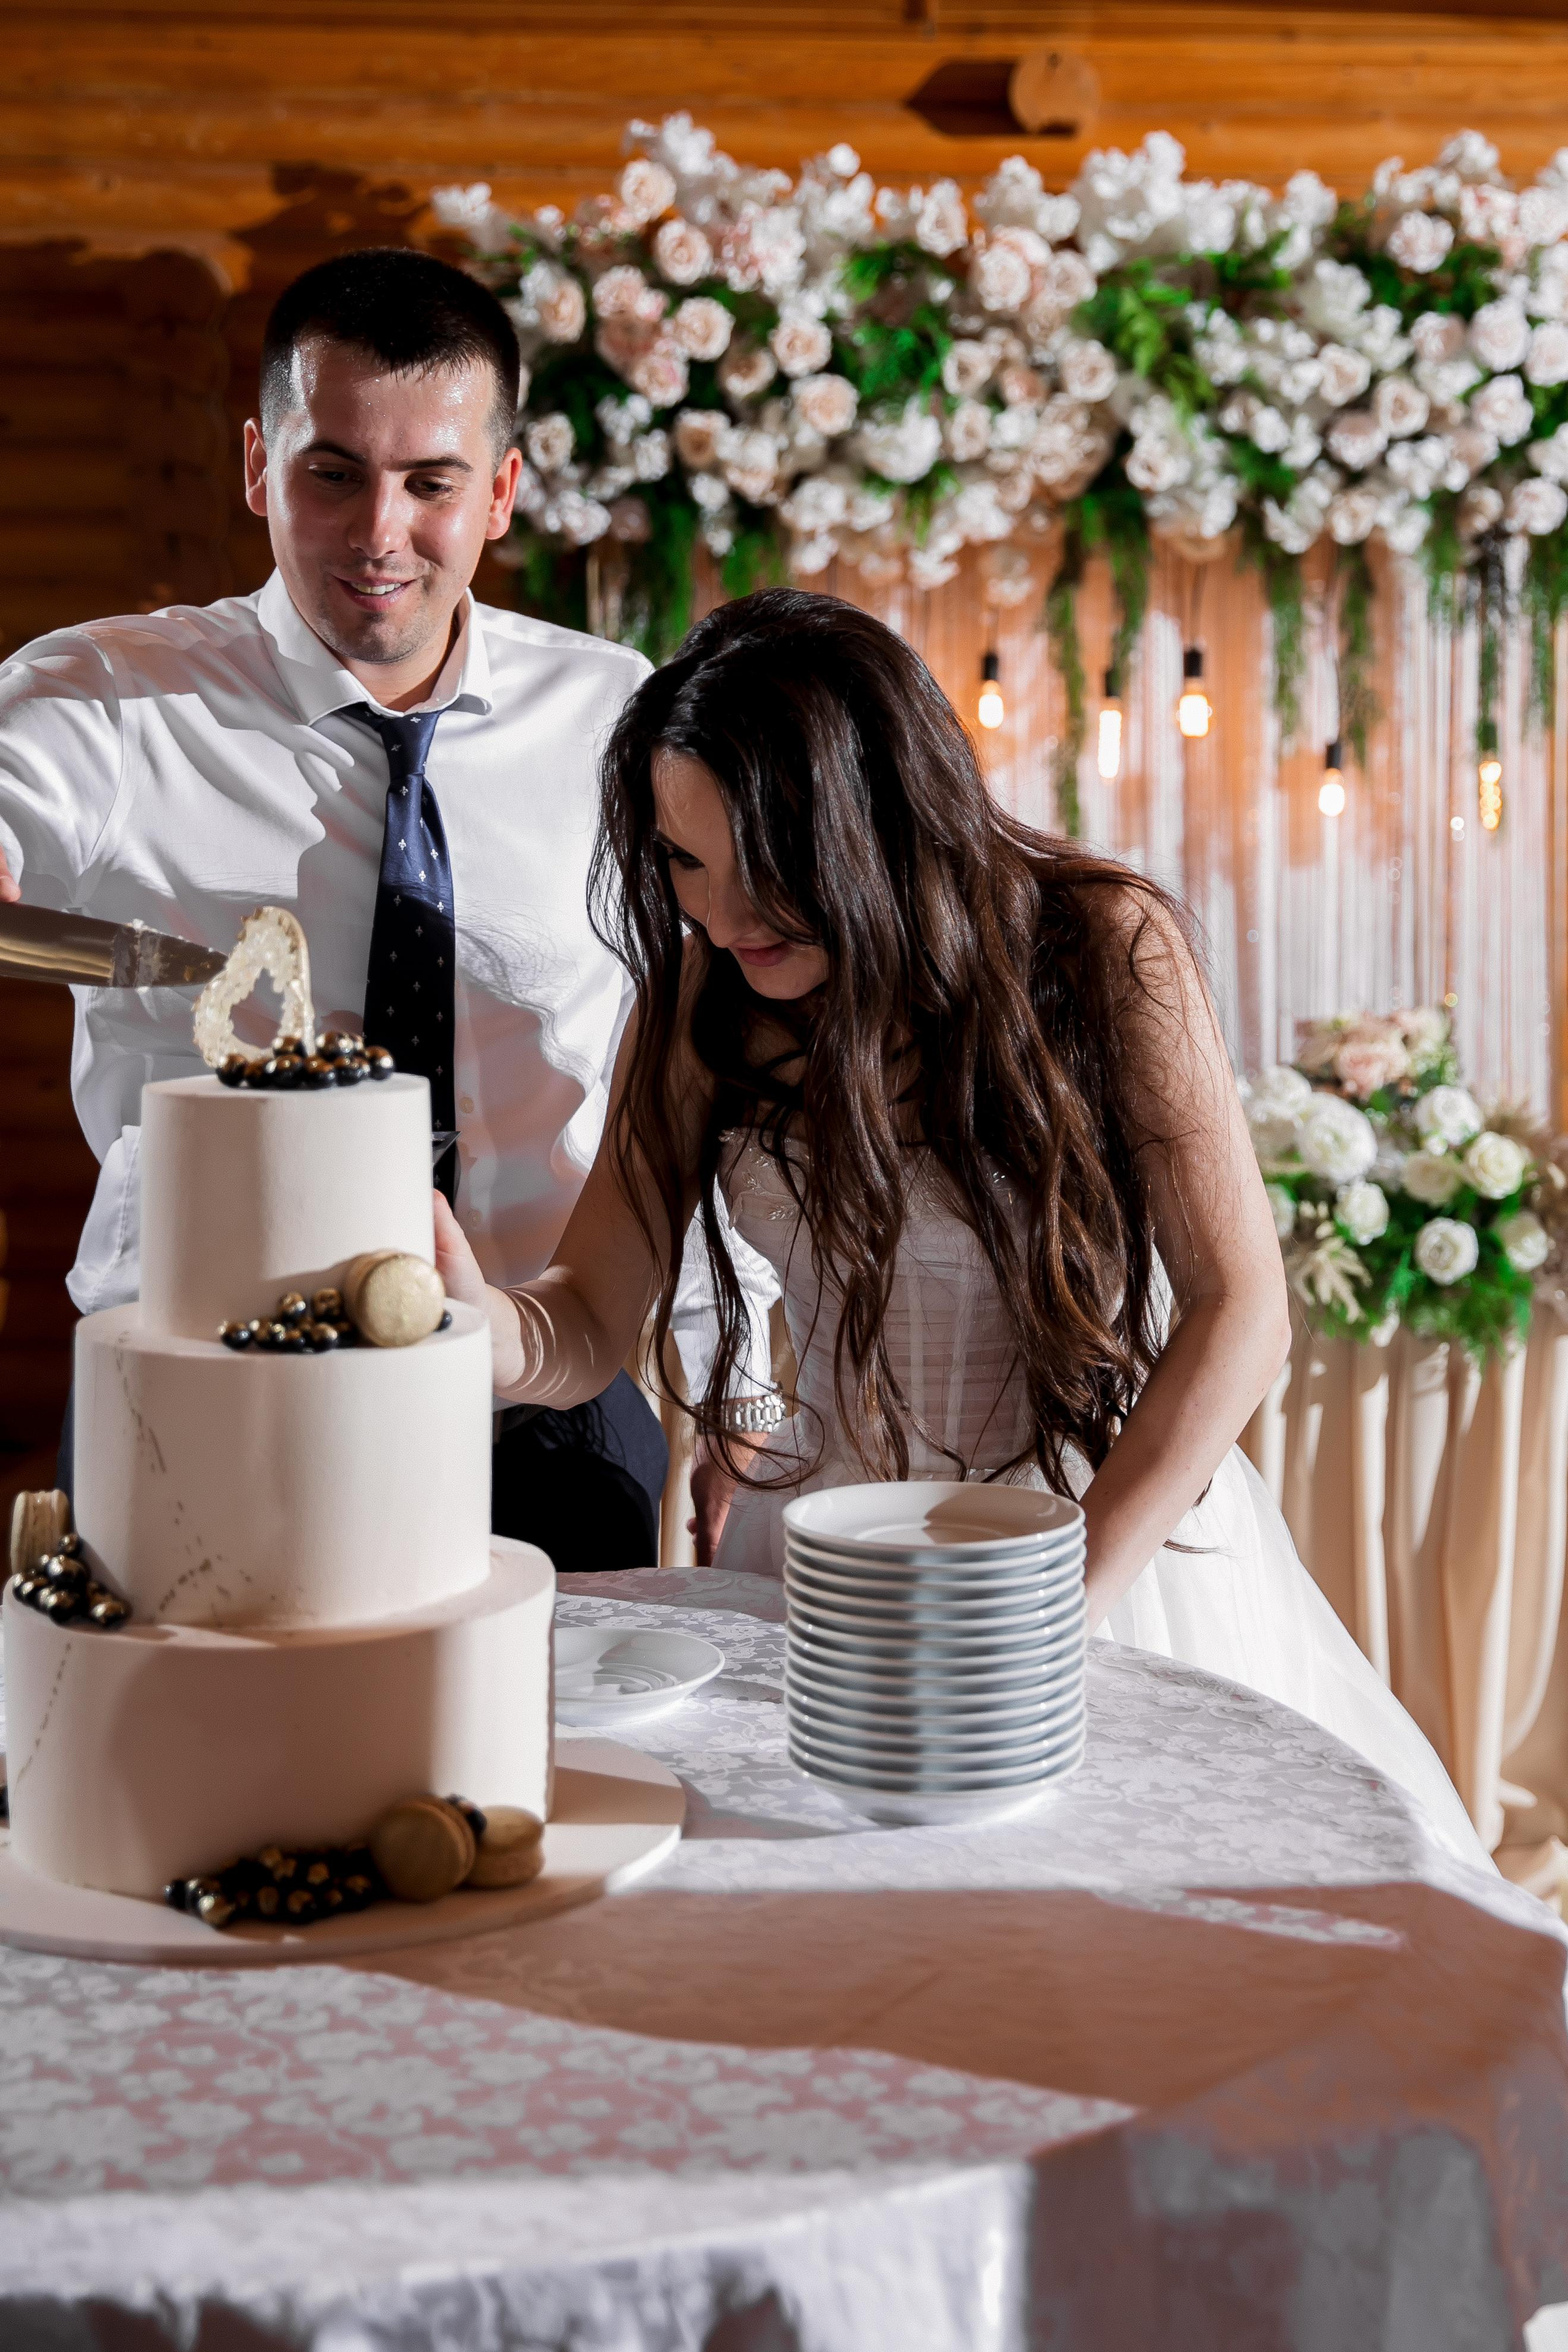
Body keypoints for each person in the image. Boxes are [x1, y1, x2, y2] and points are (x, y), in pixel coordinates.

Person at [434, 585, 1487, 1863]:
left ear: (880, 816)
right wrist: (474, 1328)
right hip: (819, 1574)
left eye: (761, 870)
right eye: (683, 863)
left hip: (1098, 1543)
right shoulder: (706, 1003)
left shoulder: (1102, 950)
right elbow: (588, 1315)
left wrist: (1052, 1611)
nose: (715, 917)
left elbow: (1237, 1312)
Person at [0, 246, 777, 1570]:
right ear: (260, 466)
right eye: (333, 474)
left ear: (502, 494)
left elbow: (695, 1043)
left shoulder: (616, 716)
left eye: (432, 483)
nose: (380, 535)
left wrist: (737, 1366)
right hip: (203, 1391)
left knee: (557, 1773)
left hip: (537, 1377)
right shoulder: (103, 704)